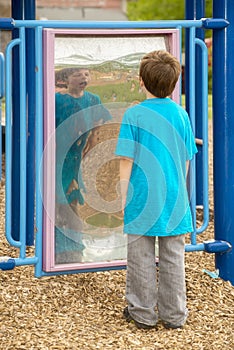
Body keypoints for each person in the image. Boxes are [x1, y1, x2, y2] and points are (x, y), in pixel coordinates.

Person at [115, 50, 197, 329]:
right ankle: (175, 315)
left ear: (141, 81)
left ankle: (143, 314)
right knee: (174, 258)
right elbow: (186, 158)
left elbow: (126, 160)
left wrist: (123, 194)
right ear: (174, 83)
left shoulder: (134, 115)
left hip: (142, 199)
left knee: (141, 258)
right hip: (175, 198)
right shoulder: (181, 114)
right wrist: (180, 192)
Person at [55, 67, 111, 263]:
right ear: (65, 79)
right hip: (58, 157)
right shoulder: (58, 100)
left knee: (71, 199)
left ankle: (73, 247)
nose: (83, 77)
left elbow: (99, 121)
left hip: (74, 158)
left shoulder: (92, 99)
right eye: (77, 74)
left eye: (87, 74)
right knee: (59, 201)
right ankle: (60, 251)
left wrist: (94, 139)